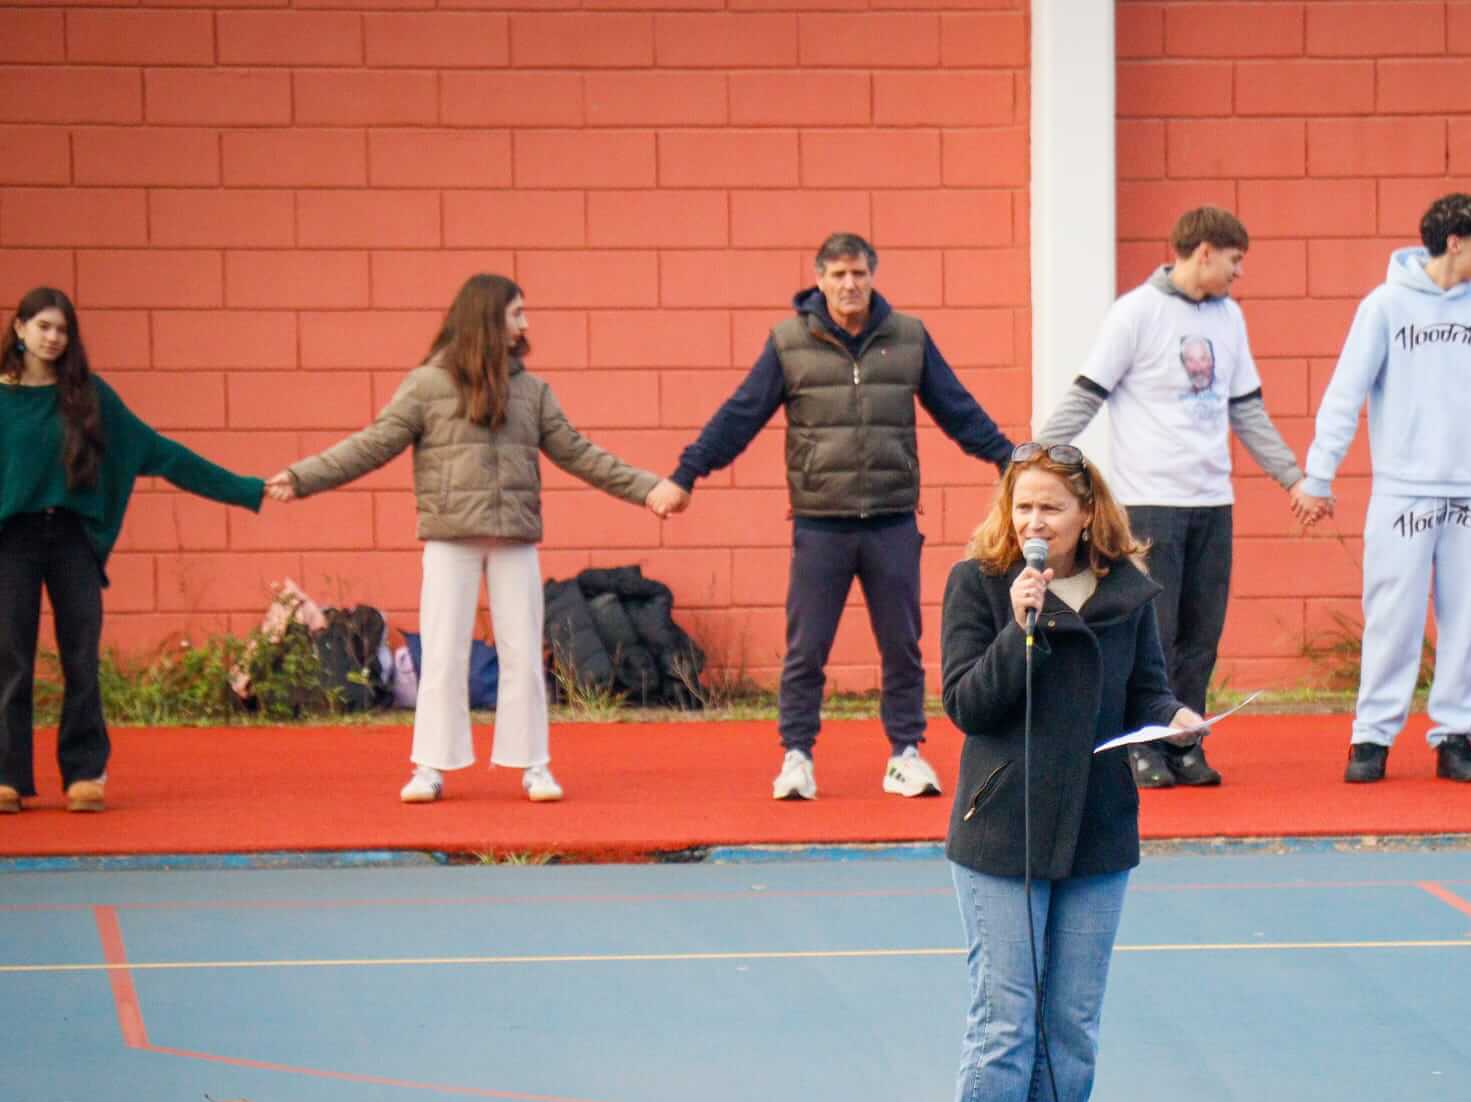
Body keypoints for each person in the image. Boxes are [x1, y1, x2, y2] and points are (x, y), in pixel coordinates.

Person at [267, 274, 682, 805]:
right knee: (442, 653)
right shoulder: (426, 386)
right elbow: (371, 444)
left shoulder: (532, 392)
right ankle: (429, 767)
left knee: (523, 654)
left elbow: (580, 453)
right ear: (489, 318)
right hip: (450, 538)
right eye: (517, 313)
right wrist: (301, 478)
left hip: (515, 539)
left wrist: (648, 489)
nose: (526, 324)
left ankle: (533, 765)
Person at [940, 442, 1203, 1102]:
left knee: (1072, 1021)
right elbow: (965, 703)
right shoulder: (980, 584)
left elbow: (1146, 690)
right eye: (1022, 505)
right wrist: (1018, 628)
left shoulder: (1129, 592)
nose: (1035, 521)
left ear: (1087, 514)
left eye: (1051, 507)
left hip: (1096, 830)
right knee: (1006, 1016)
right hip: (1004, 831)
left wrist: (1174, 717)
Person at [664, 232, 1014, 802]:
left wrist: (1007, 458)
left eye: (858, 274)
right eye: (838, 274)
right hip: (820, 522)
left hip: (891, 519)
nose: (849, 284)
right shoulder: (788, 343)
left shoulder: (908, 338)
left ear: (872, 277)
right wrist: (687, 473)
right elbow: (739, 416)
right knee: (807, 650)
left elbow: (957, 408)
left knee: (901, 645)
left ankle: (905, 753)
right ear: (819, 279)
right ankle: (797, 757)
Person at [1037, 205, 1327, 790]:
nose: (1239, 273)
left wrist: (1292, 478)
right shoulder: (1136, 313)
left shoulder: (1230, 319)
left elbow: (1247, 411)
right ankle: (1142, 745)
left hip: (1212, 501)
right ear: (1204, 253)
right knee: (1156, 634)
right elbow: (1086, 394)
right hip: (1151, 501)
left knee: (1200, 635)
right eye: (1234, 261)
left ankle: (1185, 742)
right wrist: (1034, 459)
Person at [1303, 193, 1471, 785]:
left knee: (1464, 618)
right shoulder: (1384, 307)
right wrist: (1319, 475)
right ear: (1455, 243)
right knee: (1391, 616)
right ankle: (1371, 737)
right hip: (1402, 491)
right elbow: (1345, 394)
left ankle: (1454, 735)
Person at [1, 287, 267, 814]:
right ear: (19, 328)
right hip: (12, 542)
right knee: (10, 659)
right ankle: (7, 776)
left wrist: (245, 489)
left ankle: (84, 773)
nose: (53, 338)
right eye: (43, 326)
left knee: (81, 656)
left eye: (62, 330)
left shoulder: (89, 397)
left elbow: (158, 451)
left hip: (73, 539)